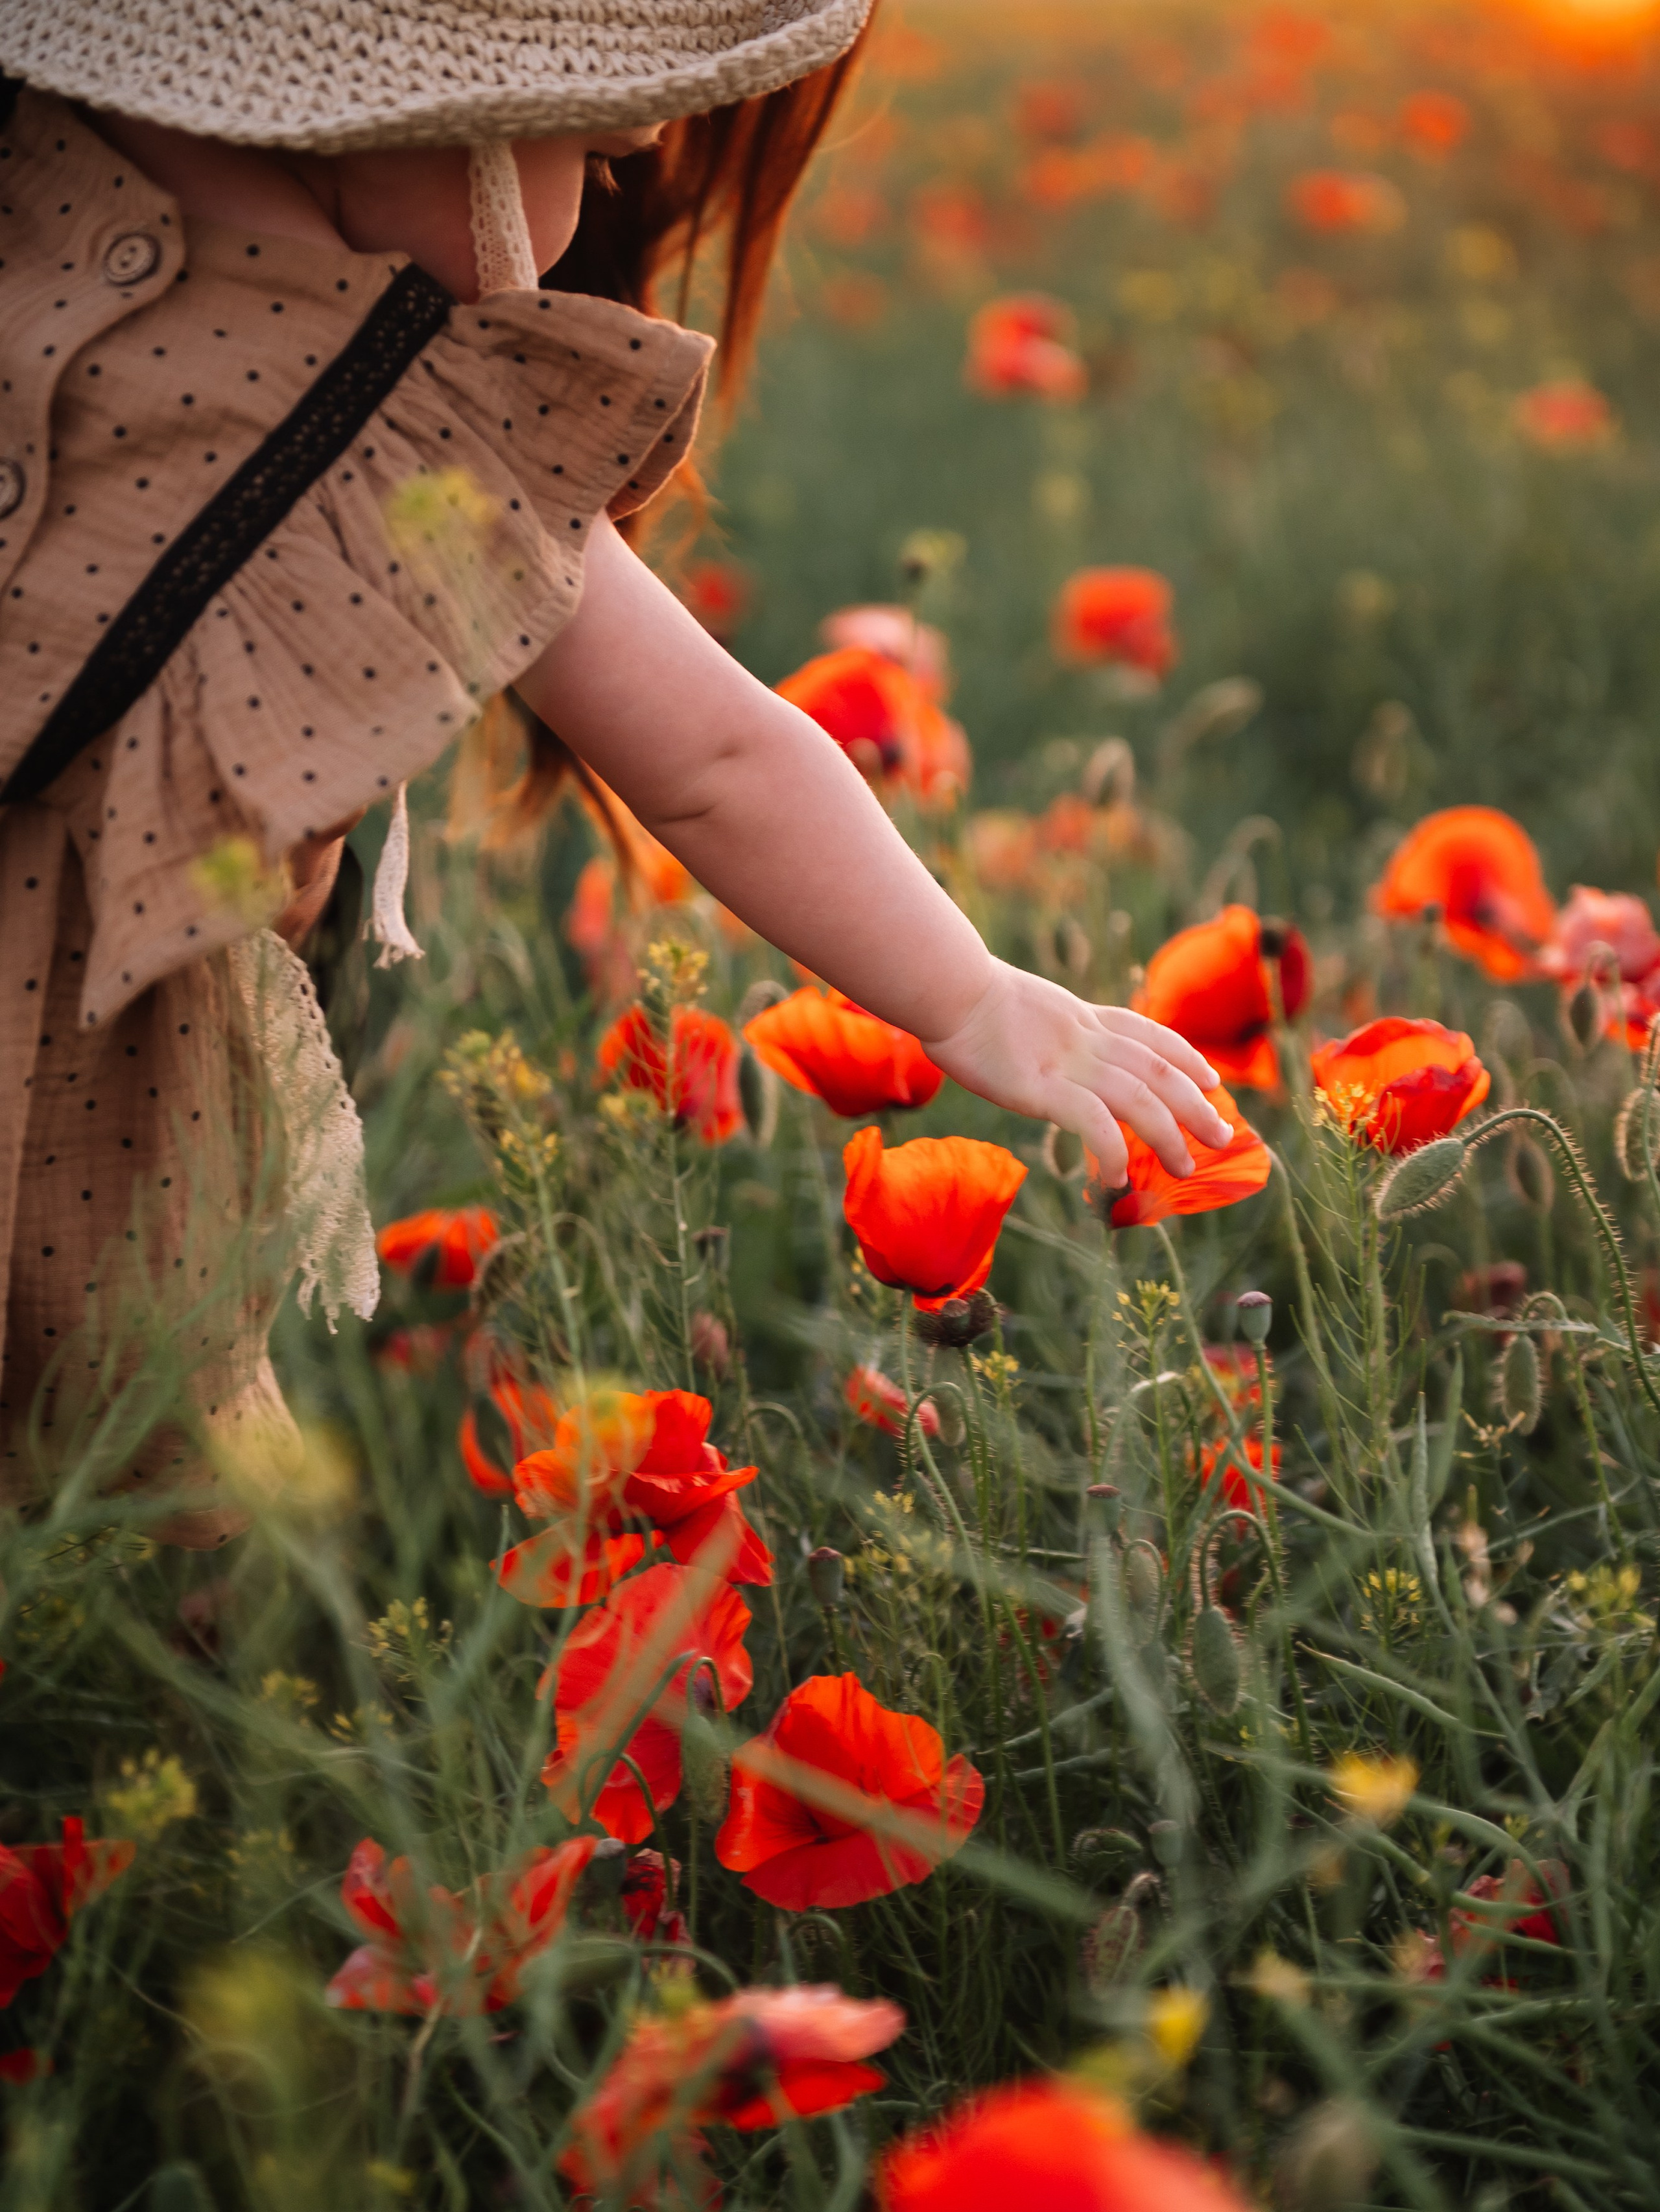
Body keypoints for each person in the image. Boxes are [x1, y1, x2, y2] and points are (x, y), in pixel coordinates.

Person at [0, 0, 1228, 1544]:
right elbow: (716, 754)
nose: (592, 205)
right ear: (425, 123)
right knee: (142, 1558)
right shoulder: (382, 420)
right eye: (590, 147)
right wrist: (973, 996)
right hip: (77, 1160)